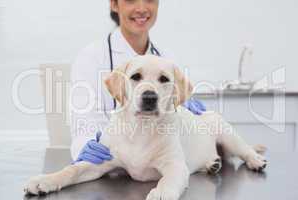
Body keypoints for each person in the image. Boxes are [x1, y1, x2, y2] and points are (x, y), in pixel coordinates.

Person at [70, 0, 206, 165]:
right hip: (109, 164)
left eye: (149, 0)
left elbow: (174, 128)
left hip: (153, 167)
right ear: (114, 4)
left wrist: (186, 111)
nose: (141, 9)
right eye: (130, 0)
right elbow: (83, 122)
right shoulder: (91, 57)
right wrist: (87, 145)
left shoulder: (167, 57)